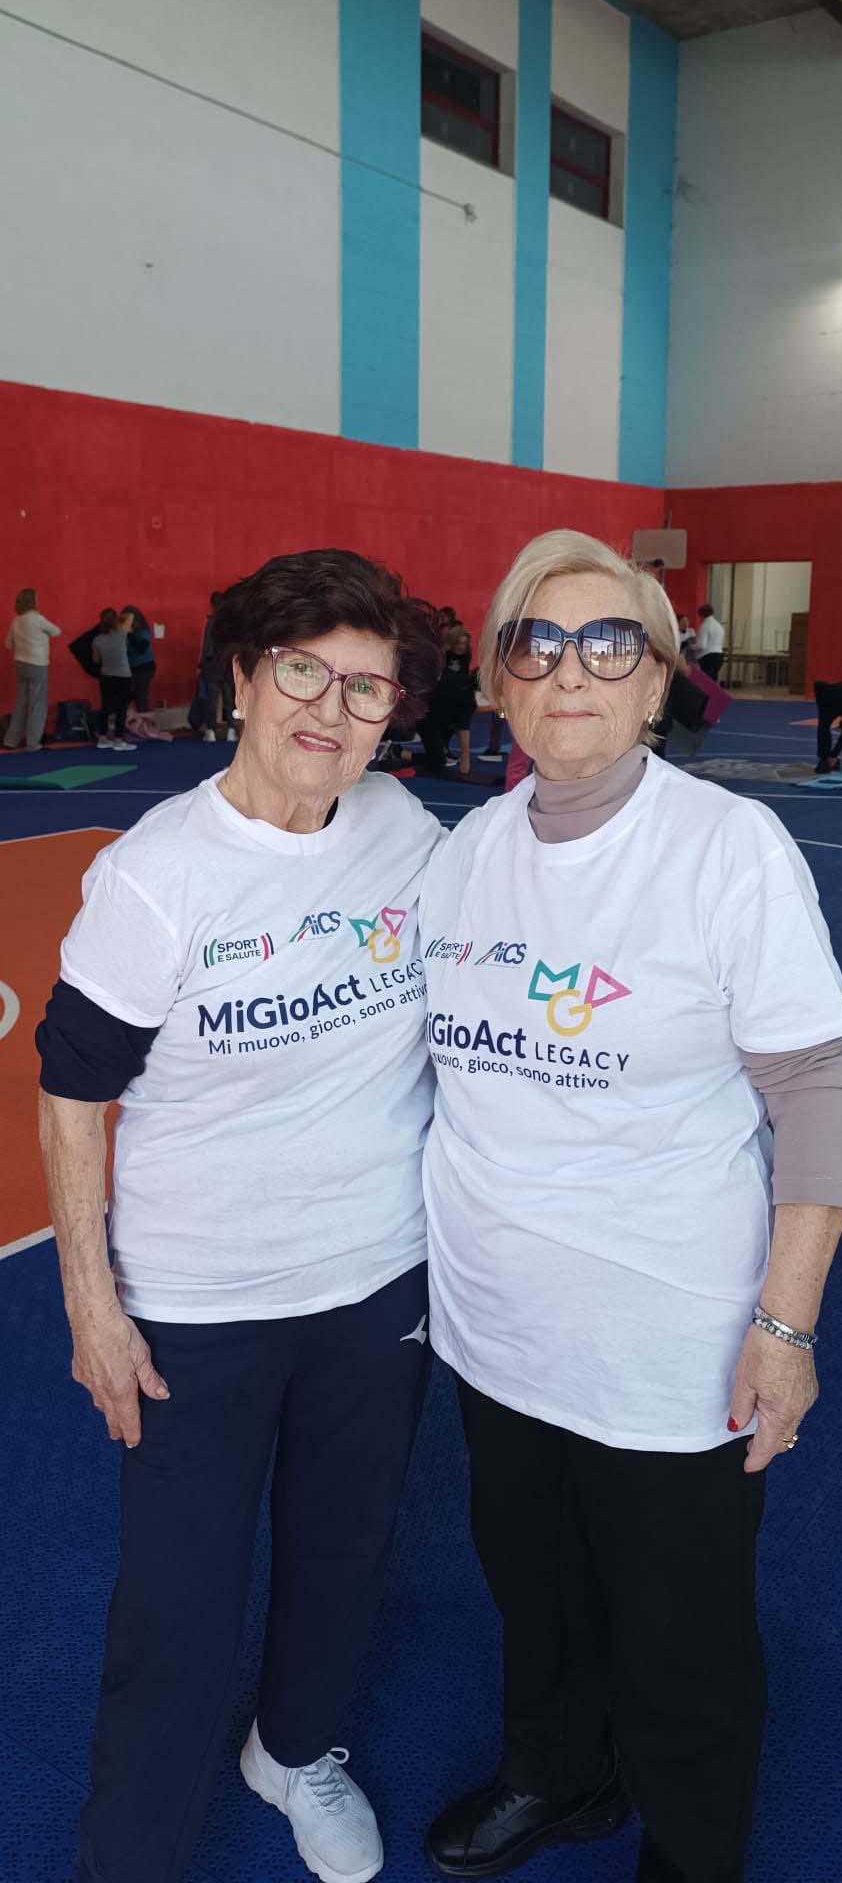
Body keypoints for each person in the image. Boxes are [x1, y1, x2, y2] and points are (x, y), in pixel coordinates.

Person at [419, 530, 842, 1883]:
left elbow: (812, 1095)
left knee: (683, 1628)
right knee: (534, 1585)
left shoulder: (728, 849)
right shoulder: (464, 851)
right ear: (499, 680)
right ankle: (559, 1772)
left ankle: (691, 1839)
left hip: (667, 1337)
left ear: (659, 681)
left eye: (610, 643)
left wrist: (786, 1326)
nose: (572, 671)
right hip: (496, 1329)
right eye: (537, 643)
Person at [37, 550, 443, 1883]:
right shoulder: (158, 877)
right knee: (179, 1599)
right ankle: (131, 1851)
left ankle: (295, 1748)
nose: (331, 709)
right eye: (303, 672)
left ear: (391, 715)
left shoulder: (403, 829)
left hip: (378, 1281)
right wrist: (93, 1307)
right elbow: (72, 1097)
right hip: (200, 1307)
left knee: (343, 1549)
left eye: (367, 688)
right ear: (243, 680)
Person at [3, 586, 61, 750]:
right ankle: (33, 743)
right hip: (37, 664)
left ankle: (10, 741)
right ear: (33, 602)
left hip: (20, 664)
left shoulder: (16, 621)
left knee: (20, 703)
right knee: (37, 705)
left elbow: (8, 644)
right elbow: (57, 631)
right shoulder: (38, 619)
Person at [419, 623, 478, 778]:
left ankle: (462, 758)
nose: (462, 647)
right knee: (440, 734)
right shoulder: (443, 654)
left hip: (460, 697)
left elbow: (462, 674)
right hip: (441, 698)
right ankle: (440, 750)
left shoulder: (466, 656)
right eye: (459, 644)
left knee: (461, 725)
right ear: (452, 643)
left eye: (465, 644)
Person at [91, 609, 136, 751]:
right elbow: (131, 615)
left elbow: (96, 659)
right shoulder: (121, 633)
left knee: (105, 707)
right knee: (121, 708)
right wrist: (117, 618)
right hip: (123, 676)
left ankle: (103, 739)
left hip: (106, 676)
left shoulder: (97, 640)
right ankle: (119, 740)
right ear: (115, 621)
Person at [198, 589, 238, 741]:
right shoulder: (230, 623)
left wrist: (201, 665)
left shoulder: (211, 622)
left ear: (212, 605)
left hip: (212, 664)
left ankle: (211, 731)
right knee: (229, 698)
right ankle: (231, 730)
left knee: (212, 699)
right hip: (227, 663)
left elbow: (207, 646)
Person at [121, 606, 156, 711]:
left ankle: (145, 719)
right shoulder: (124, 634)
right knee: (129, 697)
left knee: (141, 700)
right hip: (131, 669)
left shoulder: (143, 632)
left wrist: (129, 634)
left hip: (144, 668)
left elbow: (141, 648)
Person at [694, 601, 725, 680]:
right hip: (719, 656)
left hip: (708, 658)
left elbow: (701, 645)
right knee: (713, 681)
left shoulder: (705, 625)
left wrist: (692, 647)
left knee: (706, 682)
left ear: (702, 615)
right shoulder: (718, 625)